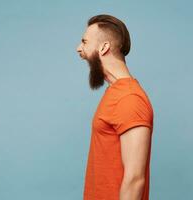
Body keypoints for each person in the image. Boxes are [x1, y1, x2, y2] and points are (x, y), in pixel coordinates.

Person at [76, 14, 154, 200]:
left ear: (104, 48)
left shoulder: (130, 99)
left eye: (85, 42)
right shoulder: (115, 93)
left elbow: (135, 179)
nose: (79, 49)